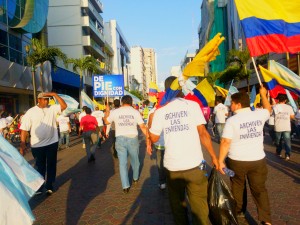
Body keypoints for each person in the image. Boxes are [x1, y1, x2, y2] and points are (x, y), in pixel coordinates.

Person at [149, 76, 219, 225]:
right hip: (196, 165)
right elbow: (203, 133)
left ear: (166, 90)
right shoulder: (192, 106)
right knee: (199, 205)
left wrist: (154, 121)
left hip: (173, 167)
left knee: (178, 206)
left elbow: (154, 138)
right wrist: (214, 156)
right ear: (180, 89)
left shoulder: (161, 112)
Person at [218, 87, 272, 225]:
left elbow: (225, 142)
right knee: (260, 189)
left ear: (238, 104)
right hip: (258, 160)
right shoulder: (259, 114)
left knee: (237, 187)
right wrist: (264, 95)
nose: (230, 105)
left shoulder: (232, 120)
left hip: (237, 161)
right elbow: (269, 109)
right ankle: (266, 219)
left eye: (232, 102)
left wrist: (220, 161)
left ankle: (238, 212)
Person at [20, 92, 67, 195]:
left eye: (47, 99)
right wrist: (23, 144)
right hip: (37, 145)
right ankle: (40, 186)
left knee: (51, 164)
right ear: (38, 100)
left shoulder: (53, 108)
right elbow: (24, 129)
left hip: (52, 142)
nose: (46, 101)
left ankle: (49, 185)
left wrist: (54, 94)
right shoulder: (31, 112)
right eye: (44, 99)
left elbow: (64, 106)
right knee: (39, 166)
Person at [104, 95, 147, 193]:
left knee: (122, 163)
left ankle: (125, 186)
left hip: (119, 139)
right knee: (135, 161)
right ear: (131, 102)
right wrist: (149, 139)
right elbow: (143, 127)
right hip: (133, 138)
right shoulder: (135, 112)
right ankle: (135, 178)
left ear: (122, 102)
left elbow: (106, 122)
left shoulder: (115, 112)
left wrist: (107, 112)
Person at [147, 100, 166, 190]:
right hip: (169, 142)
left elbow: (149, 128)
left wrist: (149, 143)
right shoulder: (169, 109)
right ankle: (168, 181)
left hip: (158, 142)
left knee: (160, 162)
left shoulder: (152, 112)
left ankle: (162, 182)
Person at [273, 94, 295, 160]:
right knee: (287, 141)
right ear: (285, 100)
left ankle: (278, 152)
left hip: (278, 126)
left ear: (278, 100)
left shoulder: (275, 107)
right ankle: (287, 155)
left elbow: (272, 115)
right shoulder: (289, 107)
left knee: (278, 141)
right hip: (286, 126)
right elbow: (292, 117)